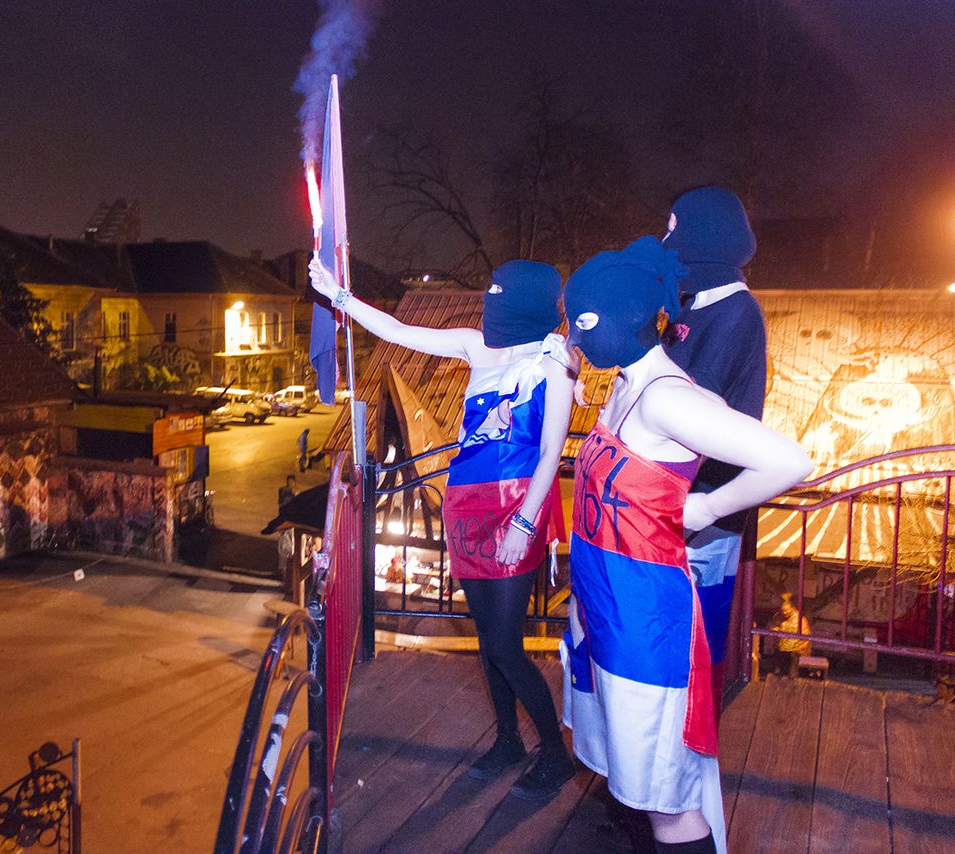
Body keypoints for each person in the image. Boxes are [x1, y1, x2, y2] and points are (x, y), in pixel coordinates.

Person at [561, 237, 811, 853]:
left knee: (667, 800)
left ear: (624, 320)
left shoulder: (668, 398)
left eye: (583, 323)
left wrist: (700, 508)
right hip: (606, 605)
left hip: (647, 619)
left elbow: (788, 459)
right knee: (631, 777)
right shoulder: (627, 381)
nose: (574, 338)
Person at [310, 255, 575, 803]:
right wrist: (340, 297)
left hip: (514, 511)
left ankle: (556, 753)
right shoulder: (478, 346)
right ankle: (508, 741)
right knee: (487, 638)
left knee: (505, 645)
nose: (488, 307)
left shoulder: (556, 363)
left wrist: (525, 523)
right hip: (465, 506)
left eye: (499, 299)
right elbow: (403, 332)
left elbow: (552, 452)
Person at [662, 186, 768, 716]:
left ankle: (687, 768)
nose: (666, 240)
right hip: (672, 498)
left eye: (675, 228)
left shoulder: (736, 313)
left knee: (695, 646)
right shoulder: (693, 306)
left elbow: (683, 401)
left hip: (706, 507)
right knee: (669, 645)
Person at [771, 593, 812, 676]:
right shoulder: (779, 617)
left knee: (792, 674)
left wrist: (798, 650)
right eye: (782, 610)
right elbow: (772, 628)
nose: (784, 613)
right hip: (781, 649)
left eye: (786, 610)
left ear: (792, 608)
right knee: (778, 673)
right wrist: (775, 631)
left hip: (795, 652)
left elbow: (805, 637)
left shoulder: (801, 620)